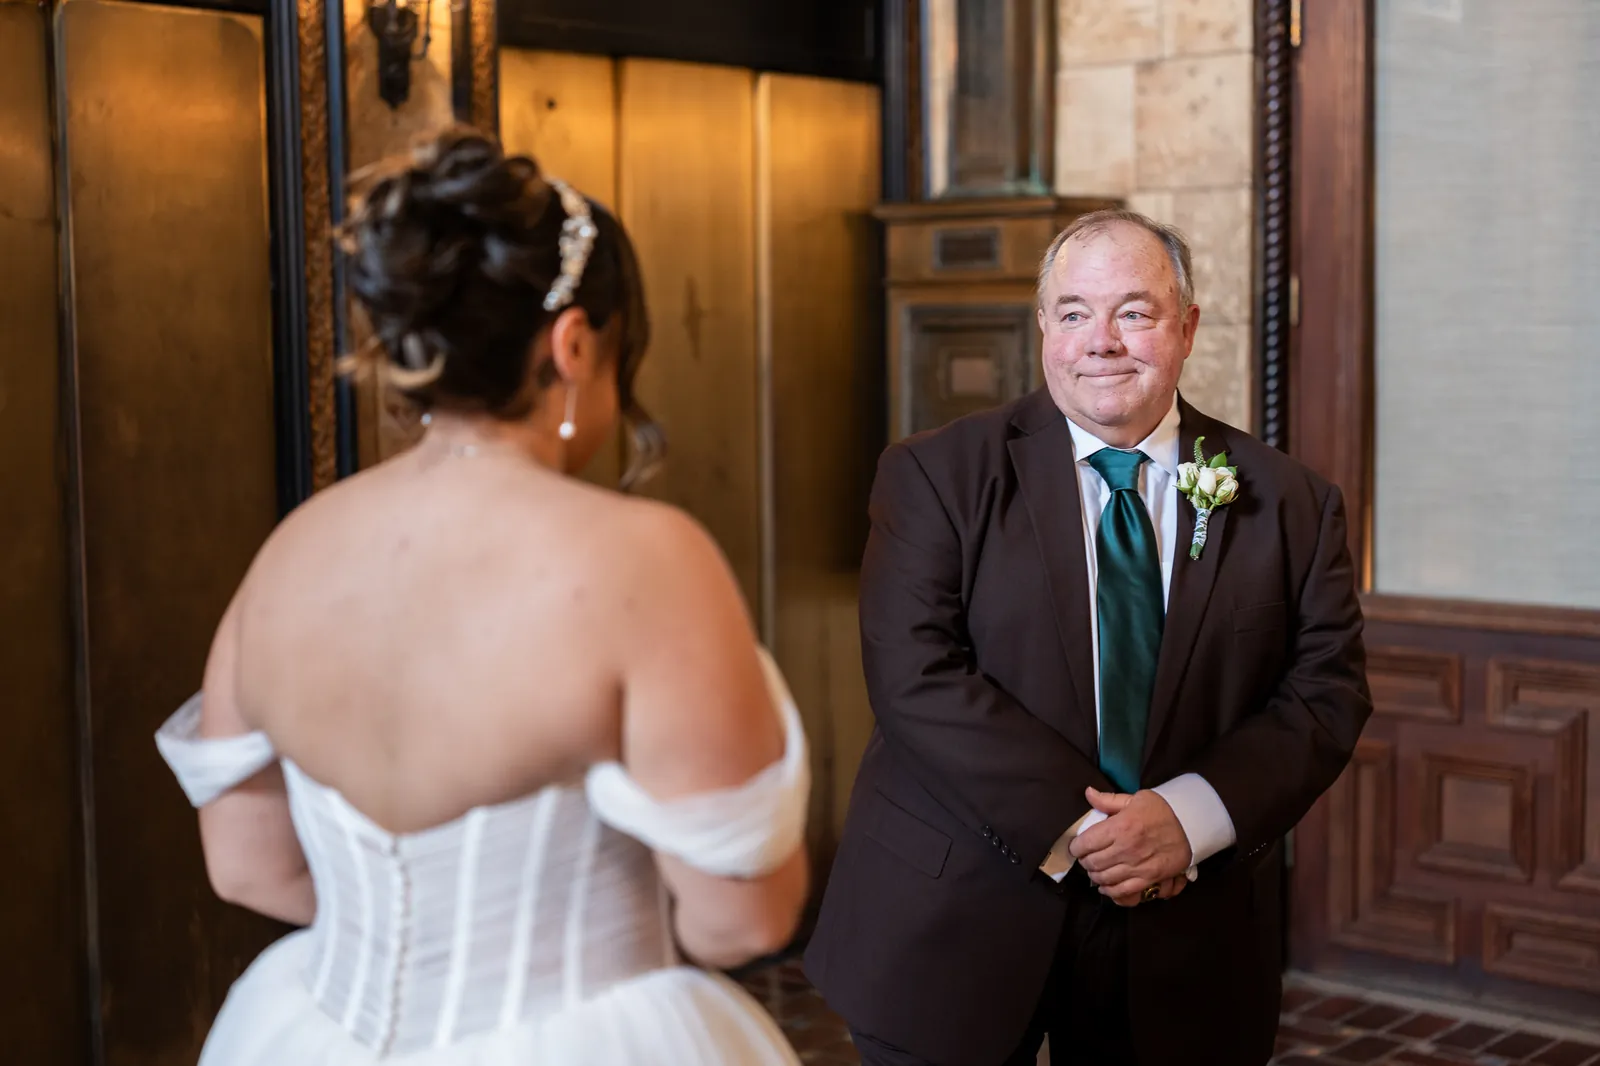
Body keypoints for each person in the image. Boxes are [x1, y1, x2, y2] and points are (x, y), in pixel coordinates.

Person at [153, 126, 809, 1066]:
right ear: (573, 345)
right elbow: (740, 918)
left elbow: (248, 865)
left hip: (317, 1032)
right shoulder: (646, 562)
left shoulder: (292, 552)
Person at [805, 209, 1372, 1066]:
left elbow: (1325, 692)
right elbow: (917, 676)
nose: (1100, 341)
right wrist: (1093, 834)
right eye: (1073, 313)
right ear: (1043, 329)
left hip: (1184, 932)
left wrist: (1185, 821)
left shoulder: (1288, 500)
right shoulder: (936, 474)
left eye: (1134, 313)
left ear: (1185, 327)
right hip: (956, 910)